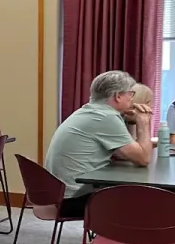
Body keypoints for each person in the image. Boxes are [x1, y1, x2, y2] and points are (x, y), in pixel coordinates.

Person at [44, 70, 151, 217]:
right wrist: (143, 122)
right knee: (151, 197)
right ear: (118, 96)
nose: (132, 99)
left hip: (60, 195)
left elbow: (125, 155)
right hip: (74, 199)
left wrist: (131, 122)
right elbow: (143, 159)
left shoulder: (90, 111)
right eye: (130, 94)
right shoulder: (106, 117)